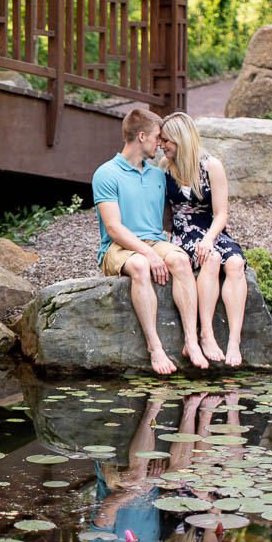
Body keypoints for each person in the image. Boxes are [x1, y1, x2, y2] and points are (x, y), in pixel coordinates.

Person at [93, 108, 208, 375]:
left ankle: (191, 341)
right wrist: (149, 254)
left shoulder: (158, 175)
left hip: (155, 242)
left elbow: (179, 211)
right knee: (142, 266)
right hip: (117, 247)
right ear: (142, 136)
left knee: (180, 260)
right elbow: (113, 227)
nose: (161, 143)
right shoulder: (106, 173)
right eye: (158, 137)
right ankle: (154, 347)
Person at [159, 112, 248, 367]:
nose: (162, 145)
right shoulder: (165, 168)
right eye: (162, 140)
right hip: (183, 231)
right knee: (211, 260)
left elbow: (221, 214)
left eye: (167, 140)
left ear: (182, 139)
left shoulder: (212, 166)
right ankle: (206, 334)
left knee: (235, 264)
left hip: (211, 229)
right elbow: (164, 214)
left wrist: (209, 238)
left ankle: (234, 340)